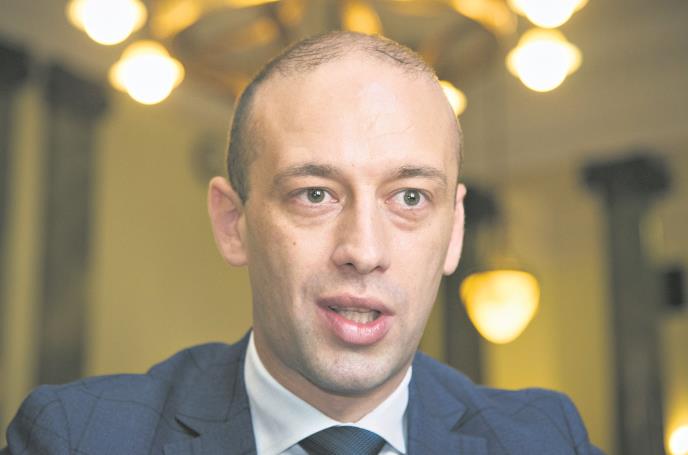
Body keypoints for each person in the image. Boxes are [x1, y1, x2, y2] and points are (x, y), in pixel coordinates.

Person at [2, 31, 603, 455]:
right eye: (315, 194)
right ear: (233, 222)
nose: (364, 250)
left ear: (455, 233)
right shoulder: (77, 438)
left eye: (410, 197)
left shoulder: (547, 439)